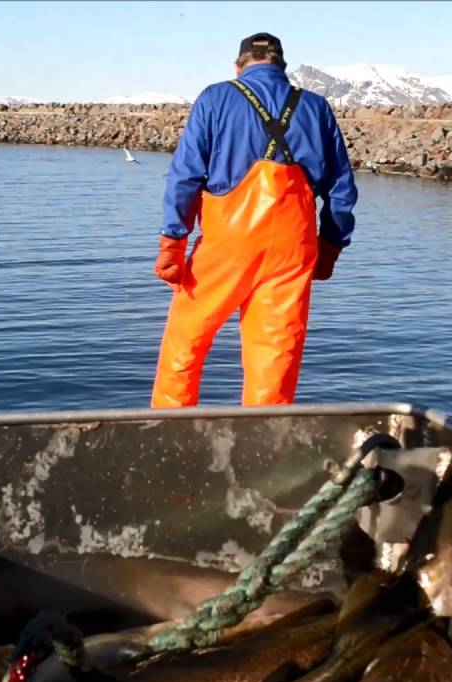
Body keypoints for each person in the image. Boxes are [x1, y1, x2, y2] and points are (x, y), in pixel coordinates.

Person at [151, 32, 358, 408]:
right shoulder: (316, 107)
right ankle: (263, 447)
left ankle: (167, 432)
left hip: (226, 245)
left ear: (239, 65)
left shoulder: (216, 97)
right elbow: (341, 189)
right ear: (282, 66)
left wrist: (173, 243)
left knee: (186, 343)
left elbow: (185, 176)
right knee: (276, 355)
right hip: (293, 248)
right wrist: (329, 247)